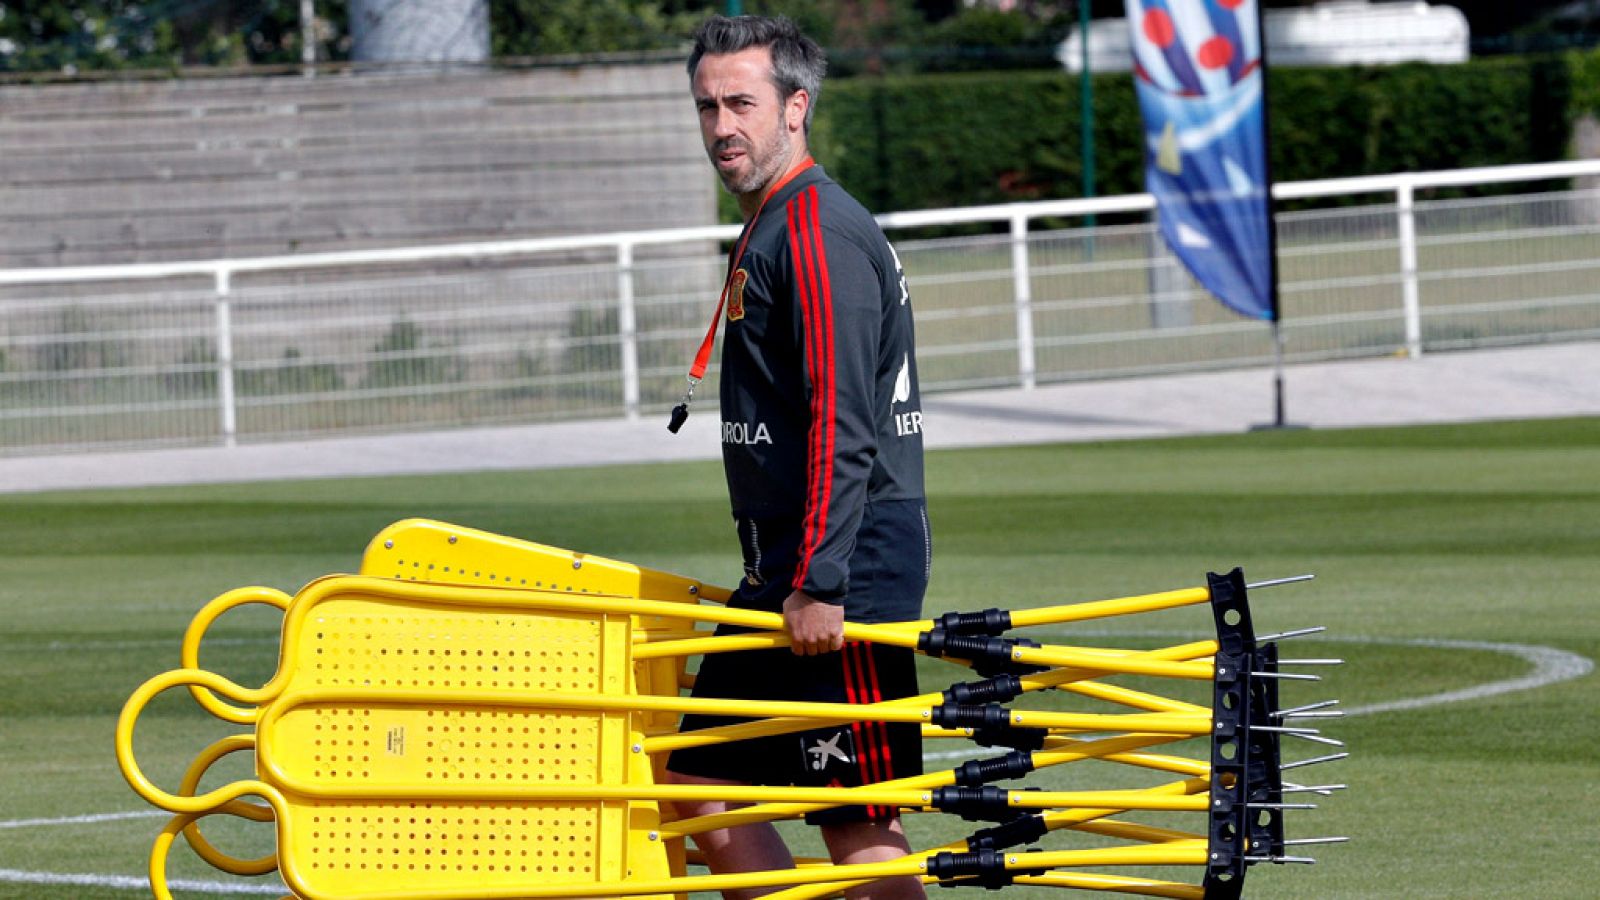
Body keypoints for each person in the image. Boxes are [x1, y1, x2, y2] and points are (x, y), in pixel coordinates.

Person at [664, 14, 931, 900]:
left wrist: (820, 580)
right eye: (707, 106)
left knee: (856, 816)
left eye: (741, 102)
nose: (721, 126)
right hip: (792, 564)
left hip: (841, 564)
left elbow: (842, 418)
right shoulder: (779, 222)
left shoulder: (814, 228)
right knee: (697, 778)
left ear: (795, 107)